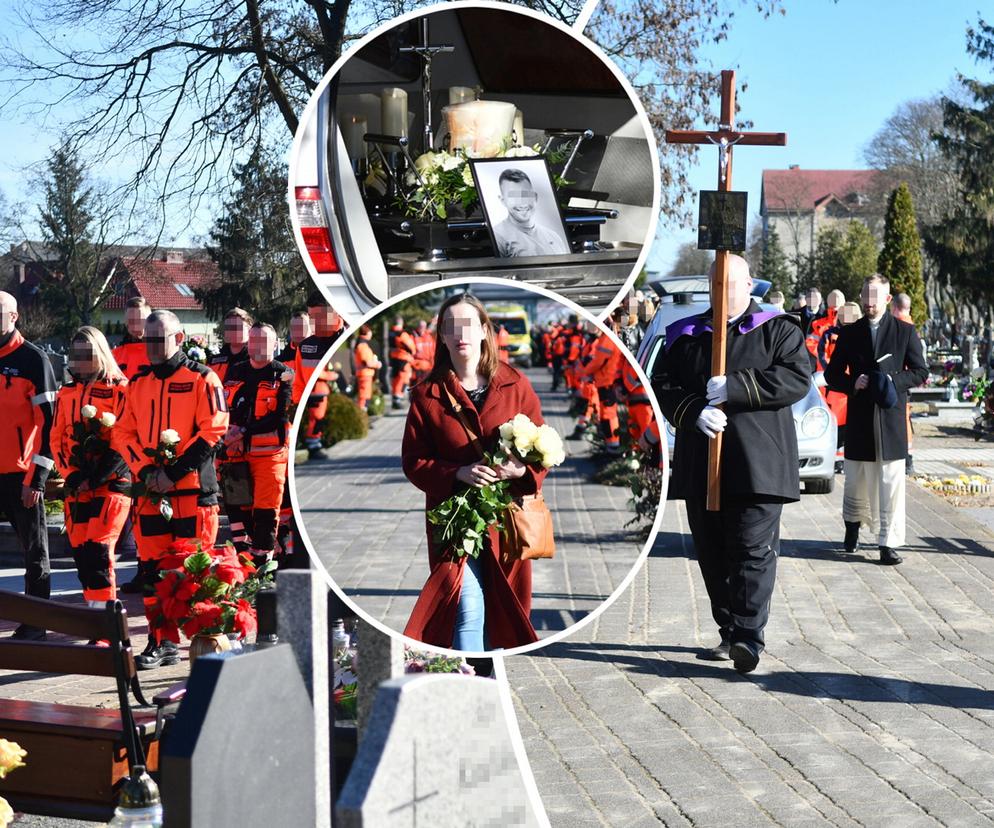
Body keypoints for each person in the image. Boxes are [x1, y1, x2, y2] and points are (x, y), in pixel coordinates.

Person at [651, 255, 810, 673]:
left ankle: (748, 637)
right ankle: (728, 630)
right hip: (703, 463)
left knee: (752, 551)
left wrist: (737, 388)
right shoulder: (685, 335)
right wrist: (692, 411)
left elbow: (797, 378)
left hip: (757, 465)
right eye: (716, 285)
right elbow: (662, 385)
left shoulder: (777, 329)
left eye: (732, 284)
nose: (724, 293)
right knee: (712, 551)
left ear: (750, 284)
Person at [402, 293, 548, 651]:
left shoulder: (516, 385)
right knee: (466, 607)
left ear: (485, 331)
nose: (460, 334)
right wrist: (457, 473)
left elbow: (543, 451)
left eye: (468, 325)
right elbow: (414, 462)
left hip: (507, 524)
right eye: (451, 327)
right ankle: (470, 684)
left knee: (504, 614)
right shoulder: (427, 395)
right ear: (442, 336)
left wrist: (520, 470)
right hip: (454, 524)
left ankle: (490, 681)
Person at [112, 309, 229, 668]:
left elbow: (214, 430)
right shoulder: (139, 384)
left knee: (193, 571)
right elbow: (122, 433)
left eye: (157, 339)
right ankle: (161, 641)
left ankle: (203, 642)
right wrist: (147, 471)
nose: (150, 347)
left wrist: (173, 473)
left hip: (193, 494)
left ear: (178, 339)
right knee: (152, 573)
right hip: (151, 495)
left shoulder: (203, 379)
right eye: (147, 339)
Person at [825, 275, 928, 565]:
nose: (870, 303)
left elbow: (920, 371)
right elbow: (832, 374)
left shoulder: (904, 331)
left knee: (891, 481)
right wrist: (851, 383)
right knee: (857, 479)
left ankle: (888, 543)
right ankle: (852, 528)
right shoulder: (849, 332)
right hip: (859, 417)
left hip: (890, 417)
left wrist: (892, 381)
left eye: (875, 297)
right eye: (865, 296)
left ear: (886, 298)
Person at [51, 327, 131, 607]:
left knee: (98, 551)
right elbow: (57, 438)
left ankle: (106, 626)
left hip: (111, 485)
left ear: (100, 354)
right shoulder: (66, 393)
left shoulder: (120, 390)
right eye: (76, 354)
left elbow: (123, 439)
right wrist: (72, 476)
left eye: (88, 354)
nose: (82, 360)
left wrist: (96, 477)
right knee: (82, 555)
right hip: (77, 487)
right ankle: (97, 616)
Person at [0, 291, 56, 640]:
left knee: (34, 551)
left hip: (21, 475)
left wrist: (37, 479)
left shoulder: (34, 360)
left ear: (14, 316)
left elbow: (50, 426)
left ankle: (37, 622)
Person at [222, 323, 292, 566]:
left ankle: (264, 564)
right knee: (238, 509)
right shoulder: (236, 371)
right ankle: (242, 561)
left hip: (269, 454)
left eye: (264, 341)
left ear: (275, 344)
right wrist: (228, 432)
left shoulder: (283, 374)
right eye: (254, 341)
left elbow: (279, 417)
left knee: (265, 510)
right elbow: (223, 407)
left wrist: (242, 431)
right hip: (235, 454)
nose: (258, 346)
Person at [292, 292, 344, 458]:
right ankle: (313, 445)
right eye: (311, 317)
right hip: (312, 397)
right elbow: (298, 382)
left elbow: (342, 374)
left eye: (320, 316)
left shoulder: (344, 340)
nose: (314, 323)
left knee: (319, 419)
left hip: (329, 396)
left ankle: (315, 444)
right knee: (316, 418)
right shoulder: (306, 346)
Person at [492, 169, 569, 258]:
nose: (522, 202)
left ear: (535, 197)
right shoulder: (497, 237)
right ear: (503, 200)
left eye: (526, 194)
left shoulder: (554, 236)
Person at [208, 307, 252, 383]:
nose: (233, 331)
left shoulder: (255, 360)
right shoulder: (213, 361)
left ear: (250, 330)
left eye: (238, 327)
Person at [112, 296, 152, 380]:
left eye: (139, 321)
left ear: (150, 321)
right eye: (131, 321)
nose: (135, 327)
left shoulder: (160, 354)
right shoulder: (114, 355)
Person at [388, 317, 416, 409]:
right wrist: (413, 351)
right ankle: (398, 399)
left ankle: (395, 398)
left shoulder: (390, 333)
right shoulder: (402, 334)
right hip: (403, 359)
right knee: (403, 378)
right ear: (402, 323)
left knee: (395, 379)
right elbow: (411, 347)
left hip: (394, 358)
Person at [353, 326, 381, 411]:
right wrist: (377, 364)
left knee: (366, 397)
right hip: (364, 374)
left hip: (366, 374)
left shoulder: (363, 344)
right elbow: (366, 362)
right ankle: (361, 415)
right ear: (367, 333)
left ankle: (363, 415)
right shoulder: (362, 345)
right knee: (363, 397)